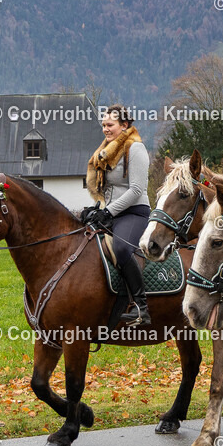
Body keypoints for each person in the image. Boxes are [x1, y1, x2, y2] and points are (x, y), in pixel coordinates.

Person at [83, 105, 152, 327]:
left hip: (135, 212)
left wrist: (107, 211)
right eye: (103, 125)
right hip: (113, 213)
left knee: (121, 248)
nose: (105, 129)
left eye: (110, 125)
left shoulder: (136, 148)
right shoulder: (106, 151)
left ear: (124, 125)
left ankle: (141, 307)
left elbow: (135, 190)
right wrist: (96, 208)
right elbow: (108, 191)